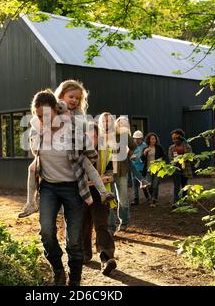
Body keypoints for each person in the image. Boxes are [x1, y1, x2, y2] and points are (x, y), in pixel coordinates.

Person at [18, 80, 115, 218]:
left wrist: (70, 119)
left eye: (78, 98)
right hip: (50, 154)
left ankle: (103, 192)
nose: (74, 100)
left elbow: (82, 128)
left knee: (87, 164)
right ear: (62, 95)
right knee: (32, 169)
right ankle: (31, 202)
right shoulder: (53, 107)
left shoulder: (78, 113)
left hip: (73, 148)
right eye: (71, 96)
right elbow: (37, 121)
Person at [30, 90, 97, 286]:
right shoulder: (36, 132)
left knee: (74, 239)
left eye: (48, 115)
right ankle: (58, 271)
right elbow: (36, 157)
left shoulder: (72, 130)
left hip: (73, 188)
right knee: (46, 231)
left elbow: (92, 154)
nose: (44, 120)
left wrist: (87, 172)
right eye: (39, 116)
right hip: (49, 187)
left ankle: (74, 280)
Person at [83, 121, 117, 275]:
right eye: (87, 135)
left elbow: (111, 174)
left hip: (100, 194)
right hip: (80, 194)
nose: (90, 138)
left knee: (101, 225)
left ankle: (106, 258)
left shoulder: (106, 151)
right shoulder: (76, 151)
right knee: (83, 226)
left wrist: (102, 179)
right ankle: (84, 254)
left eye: (94, 135)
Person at [100, 114, 136, 235]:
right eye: (104, 121)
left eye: (109, 121)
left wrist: (127, 156)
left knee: (123, 198)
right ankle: (111, 226)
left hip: (121, 170)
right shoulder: (101, 135)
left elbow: (133, 146)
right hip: (107, 172)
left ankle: (124, 221)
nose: (107, 123)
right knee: (109, 198)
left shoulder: (121, 134)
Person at [168, 129, 193, 209]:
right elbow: (171, 159)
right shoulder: (171, 148)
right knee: (176, 186)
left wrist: (182, 159)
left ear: (180, 137)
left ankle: (184, 201)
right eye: (173, 138)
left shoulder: (187, 147)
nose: (174, 140)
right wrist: (177, 161)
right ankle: (176, 202)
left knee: (184, 186)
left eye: (176, 138)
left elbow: (190, 158)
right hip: (176, 170)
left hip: (185, 169)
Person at [141, 132, 165, 207]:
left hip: (157, 169)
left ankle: (154, 200)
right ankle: (152, 198)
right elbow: (142, 159)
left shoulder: (159, 147)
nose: (153, 140)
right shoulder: (145, 148)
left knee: (155, 185)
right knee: (149, 185)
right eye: (152, 139)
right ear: (149, 140)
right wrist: (144, 153)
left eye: (154, 138)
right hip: (148, 170)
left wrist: (159, 160)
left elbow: (163, 156)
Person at [130, 130, 150, 205]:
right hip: (133, 167)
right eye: (135, 138)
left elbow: (146, 156)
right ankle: (136, 200)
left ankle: (148, 198)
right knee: (135, 185)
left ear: (141, 138)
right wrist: (131, 157)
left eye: (138, 138)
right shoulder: (131, 146)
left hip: (142, 168)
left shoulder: (145, 146)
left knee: (143, 184)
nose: (137, 140)